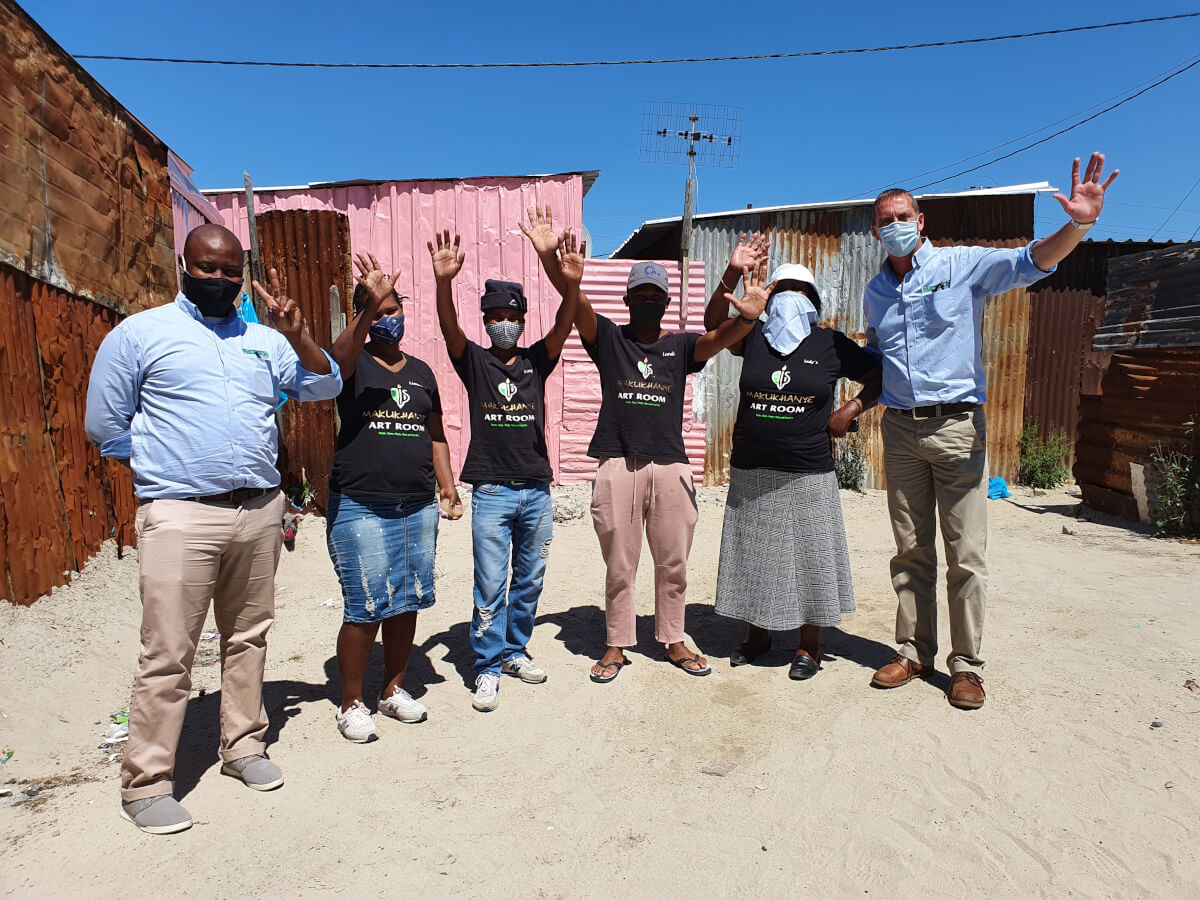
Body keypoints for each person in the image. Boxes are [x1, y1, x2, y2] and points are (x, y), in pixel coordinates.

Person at [85, 224, 342, 834]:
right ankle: (147, 783)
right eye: (207, 269)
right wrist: (169, 472)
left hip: (257, 510)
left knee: (248, 634)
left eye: (231, 272)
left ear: (243, 271)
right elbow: (106, 426)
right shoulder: (142, 335)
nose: (220, 281)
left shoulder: (264, 341)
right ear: (184, 265)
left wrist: (297, 332)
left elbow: (326, 382)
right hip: (181, 514)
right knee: (168, 650)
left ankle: (243, 745)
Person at [865, 153, 1118, 709]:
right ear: (876, 229)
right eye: (885, 220)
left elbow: (1032, 261)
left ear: (921, 219)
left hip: (957, 428)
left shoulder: (962, 267)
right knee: (910, 550)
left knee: (966, 553)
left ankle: (967, 667)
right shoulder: (876, 291)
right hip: (901, 431)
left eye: (902, 215)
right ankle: (912, 652)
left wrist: (1078, 225)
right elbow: (875, 356)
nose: (895, 226)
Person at [523, 206, 768, 683]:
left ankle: (673, 639)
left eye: (657, 294)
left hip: (671, 467)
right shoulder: (609, 339)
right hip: (618, 464)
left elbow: (722, 336)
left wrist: (750, 318)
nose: (649, 300)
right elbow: (573, 296)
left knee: (673, 561)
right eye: (642, 293)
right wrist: (550, 258)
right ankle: (616, 644)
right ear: (628, 297)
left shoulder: (680, 347)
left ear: (666, 299)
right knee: (620, 563)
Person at [704, 241, 882, 679]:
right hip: (753, 466)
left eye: (799, 291)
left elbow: (880, 375)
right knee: (755, 555)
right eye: (781, 289)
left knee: (809, 556)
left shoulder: (830, 344)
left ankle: (809, 646)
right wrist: (732, 278)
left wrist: (851, 410)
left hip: (809, 470)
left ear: (813, 302)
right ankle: (758, 634)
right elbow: (711, 328)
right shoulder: (752, 336)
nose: (788, 298)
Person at [430, 226, 584, 712]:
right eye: (494, 317)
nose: (503, 323)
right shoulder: (474, 362)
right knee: (490, 582)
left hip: (537, 491)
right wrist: (443, 284)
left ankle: (516, 651)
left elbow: (564, 323)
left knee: (529, 580)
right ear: (485, 320)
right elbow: (449, 329)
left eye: (510, 316)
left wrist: (572, 283)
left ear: (521, 319)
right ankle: (488, 666)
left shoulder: (539, 360)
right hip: (492, 493)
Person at [326, 253, 463, 743]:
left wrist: (446, 484)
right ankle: (351, 702)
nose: (389, 320)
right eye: (378, 313)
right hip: (361, 504)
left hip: (416, 505)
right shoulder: (351, 362)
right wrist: (363, 310)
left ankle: (393, 690)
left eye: (393, 309)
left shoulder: (423, 373)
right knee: (364, 606)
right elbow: (331, 368)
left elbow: (435, 433)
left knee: (406, 602)